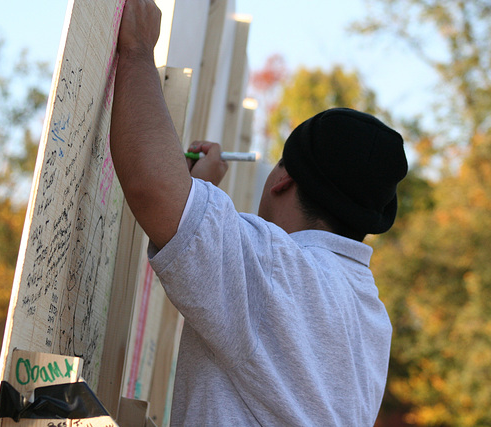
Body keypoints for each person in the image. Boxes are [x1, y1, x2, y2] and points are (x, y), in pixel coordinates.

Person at [110, 0, 408, 425]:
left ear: (283, 179)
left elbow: (152, 188)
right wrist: (199, 194)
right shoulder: (369, 316)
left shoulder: (276, 270)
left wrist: (137, 49)